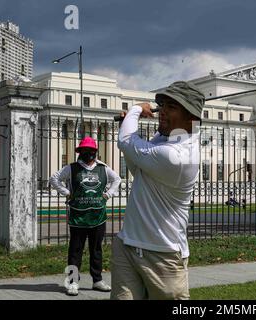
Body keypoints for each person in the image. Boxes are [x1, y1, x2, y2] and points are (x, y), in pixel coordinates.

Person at [112, 81, 203, 300]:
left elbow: (126, 141)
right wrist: (129, 122)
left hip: (163, 255)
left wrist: (135, 110)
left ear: (191, 118)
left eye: (171, 107)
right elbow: (137, 166)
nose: (161, 112)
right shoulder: (169, 139)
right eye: (161, 105)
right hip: (128, 244)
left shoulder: (176, 156)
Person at [49, 136, 121, 296]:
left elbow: (117, 179)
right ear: (80, 152)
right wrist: (67, 193)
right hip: (78, 217)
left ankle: (97, 280)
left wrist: (108, 195)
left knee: (96, 250)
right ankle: (73, 282)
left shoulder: (103, 168)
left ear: (95, 152)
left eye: (90, 150)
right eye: (84, 150)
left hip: (98, 216)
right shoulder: (72, 168)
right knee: (75, 250)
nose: (88, 153)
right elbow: (54, 179)